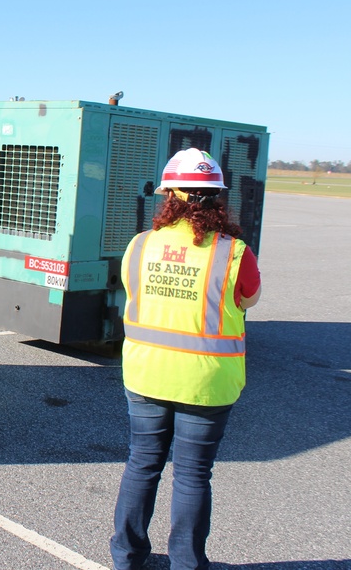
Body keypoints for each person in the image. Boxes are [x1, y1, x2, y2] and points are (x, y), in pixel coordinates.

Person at [110, 149, 261, 570]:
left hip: (146, 374)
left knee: (142, 464)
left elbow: (132, 289)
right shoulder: (234, 252)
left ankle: (127, 557)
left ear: (169, 196)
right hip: (206, 382)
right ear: (217, 198)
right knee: (193, 475)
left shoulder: (140, 245)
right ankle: (187, 563)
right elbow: (248, 298)